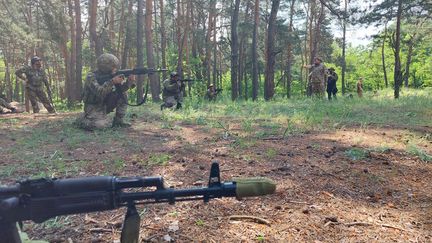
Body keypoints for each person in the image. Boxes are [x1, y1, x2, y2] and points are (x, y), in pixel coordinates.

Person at [75, 53, 136, 130]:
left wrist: (129, 82)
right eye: (113, 66)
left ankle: (118, 121)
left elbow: (120, 91)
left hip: (105, 105)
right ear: (106, 66)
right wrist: (112, 82)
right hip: (93, 107)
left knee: (123, 94)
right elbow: (99, 92)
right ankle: (83, 120)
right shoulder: (91, 77)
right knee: (102, 126)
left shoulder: (112, 75)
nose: (115, 69)